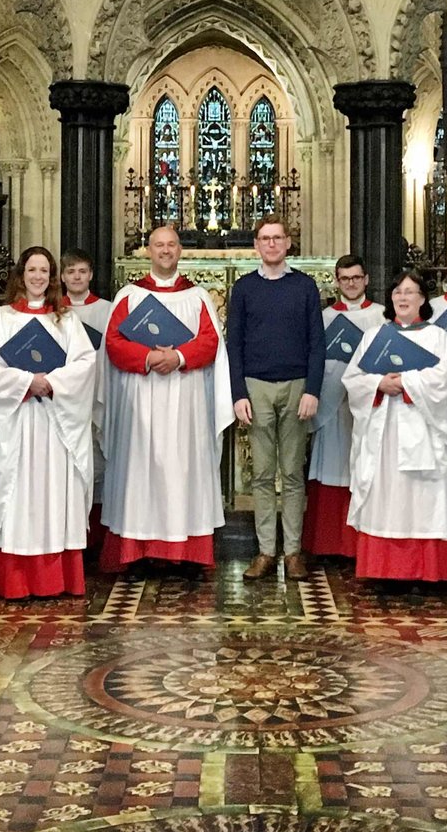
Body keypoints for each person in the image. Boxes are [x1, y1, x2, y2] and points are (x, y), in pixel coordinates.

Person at [98, 224, 233, 572]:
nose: (166, 251)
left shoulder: (198, 296)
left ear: (180, 251)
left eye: (171, 245)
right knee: (140, 468)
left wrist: (178, 358)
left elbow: (210, 342)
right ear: (149, 250)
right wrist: (148, 358)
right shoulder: (129, 296)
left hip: (185, 402)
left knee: (183, 469)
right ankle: (138, 548)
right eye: (159, 245)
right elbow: (114, 343)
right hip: (140, 401)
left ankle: (186, 553)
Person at [0, 247, 97, 598]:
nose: (37, 277)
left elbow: (84, 363)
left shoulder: (66, 319)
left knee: (53, 491)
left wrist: (52, 383)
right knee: (16, 492)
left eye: (44, 271)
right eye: (31, 270)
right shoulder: (3, 318)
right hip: (17, 420)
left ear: (52, 278)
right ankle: (16, 580)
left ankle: (55, 577)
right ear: (21, 274)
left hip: (54, 422)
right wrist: (25, 383)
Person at [344, 271, 447, 583]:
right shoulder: (374, 336)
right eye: (398, 292)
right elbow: (353, 379)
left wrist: (406, 382)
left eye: (410, 292)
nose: (403, 297)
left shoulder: (436, 336)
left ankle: (424, 572)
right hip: (384, 430)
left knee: (423, 499)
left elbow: (444, 379)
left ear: (423, 298)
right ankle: (384, 570)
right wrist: (379, 382)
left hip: (423, 427)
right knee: (387, 496)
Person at [226, 216, 325, 581]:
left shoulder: (304, 286)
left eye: (277, 238)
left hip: (297, 385)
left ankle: (293, 552)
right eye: (265, 239)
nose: (271, 244)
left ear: (287, 244)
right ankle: (266, 550)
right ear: (256, 245)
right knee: (263, 475)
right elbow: (233, 344)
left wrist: (312, 389)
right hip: (256, 385)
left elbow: (317, 343)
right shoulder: (246, 287)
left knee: (293, 474)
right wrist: (239, 393)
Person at [304, 254, 385, 559]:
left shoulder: (381, 316)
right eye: (345, 278)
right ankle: (327, 544)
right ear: (336, 282)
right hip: (332, 404)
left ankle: (357, 544)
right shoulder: (324, 318)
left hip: (369, 405)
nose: (351, 284)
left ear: (366, 280)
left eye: (356, 278)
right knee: (330, 465)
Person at [62, 248, 113, 541]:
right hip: (68, 396)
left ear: (91, 274)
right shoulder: (57, 309)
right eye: (71, 272)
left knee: (100, 459)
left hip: (98, 389)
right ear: (63, 276)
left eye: (82, 271)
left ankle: (98, 530)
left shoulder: (106, 309)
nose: (77, 277)